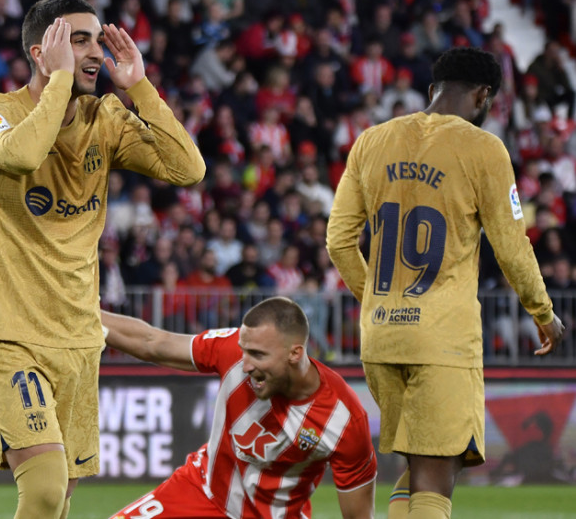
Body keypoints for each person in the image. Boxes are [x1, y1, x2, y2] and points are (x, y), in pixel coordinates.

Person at [0, 0, 205, 519]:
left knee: (62, 498)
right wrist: (57, 83)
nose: (95, 52)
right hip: (7, 334)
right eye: (79, 40)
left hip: (77, 337)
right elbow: (23, 154)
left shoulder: (107, 117)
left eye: (97, 39)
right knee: (47, 485)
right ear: (39, 51)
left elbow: (188, 170)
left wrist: (139, 85)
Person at [326, 47, 565, 519]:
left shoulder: (371, 141)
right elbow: (512, 247)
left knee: (417, 468)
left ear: (433, 88)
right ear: (482, 95)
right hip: (442, 338)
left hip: (381, 336)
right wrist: (544, 313)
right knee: (437, 474)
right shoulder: (484, 149)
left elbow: (338, 242)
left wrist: (377, 297)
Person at [103, 297, 377, 519]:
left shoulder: (345, 420)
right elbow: (153, 342)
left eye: (257, 355)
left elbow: (358, 516)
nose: (245, 364)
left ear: (295, 353)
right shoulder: (231, 350)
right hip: (200, 492)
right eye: (244, 350)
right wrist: (79, 310)